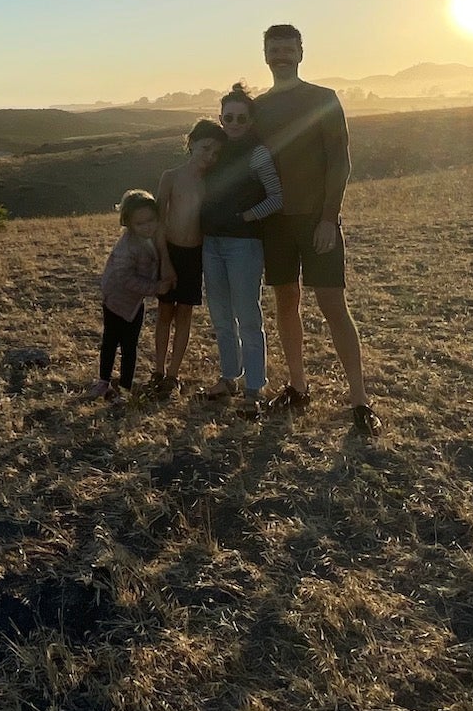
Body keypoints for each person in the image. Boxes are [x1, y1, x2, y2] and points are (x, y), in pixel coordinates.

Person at [251, 24, 376, 429]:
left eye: (289, 49)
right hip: (275, 224)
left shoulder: (323, 99)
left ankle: (360, 401)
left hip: (317, 221)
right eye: (275, 49)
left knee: (332, 305)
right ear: (265, 54)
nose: (281, 55)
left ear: (301, 53)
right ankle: (298, 387)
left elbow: (340, 161)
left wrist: (328, 217)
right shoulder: (258, 107)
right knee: (286, 303)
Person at [197, 86, 283, 414]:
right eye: (228, 117)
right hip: (211, 242)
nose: (234, 123)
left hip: (243, 244)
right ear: (220, 118)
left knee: (248, 316)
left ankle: (254, 387)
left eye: (241, 118)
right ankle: (229, 377)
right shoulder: (214, 150)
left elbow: (277, 196)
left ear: (250, 120)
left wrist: (246, 216)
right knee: (220, 316)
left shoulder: (257, 152)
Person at [149, 118, 225, 392]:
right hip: (169, 251)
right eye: (205, 148)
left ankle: (172, 374)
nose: (210, 156)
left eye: (216, 153)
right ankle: (157, 369)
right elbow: (158, 220)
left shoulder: (211, 183)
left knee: (184, 314)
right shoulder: (170, 177)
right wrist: (164, 261)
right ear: (191, 144)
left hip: (196, 255)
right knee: (164, 312)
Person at [94, 189, 166, 400]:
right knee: (110, 341)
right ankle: (103, 381)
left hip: (134, 303)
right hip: (115, 300)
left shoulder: (151, 238)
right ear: (128, 223)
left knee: (130, 346)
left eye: (151, 220)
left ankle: (125, 386)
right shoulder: (127, 247)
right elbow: (126, 278)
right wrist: (155, 287)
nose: (147, 226)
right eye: (140, 224)